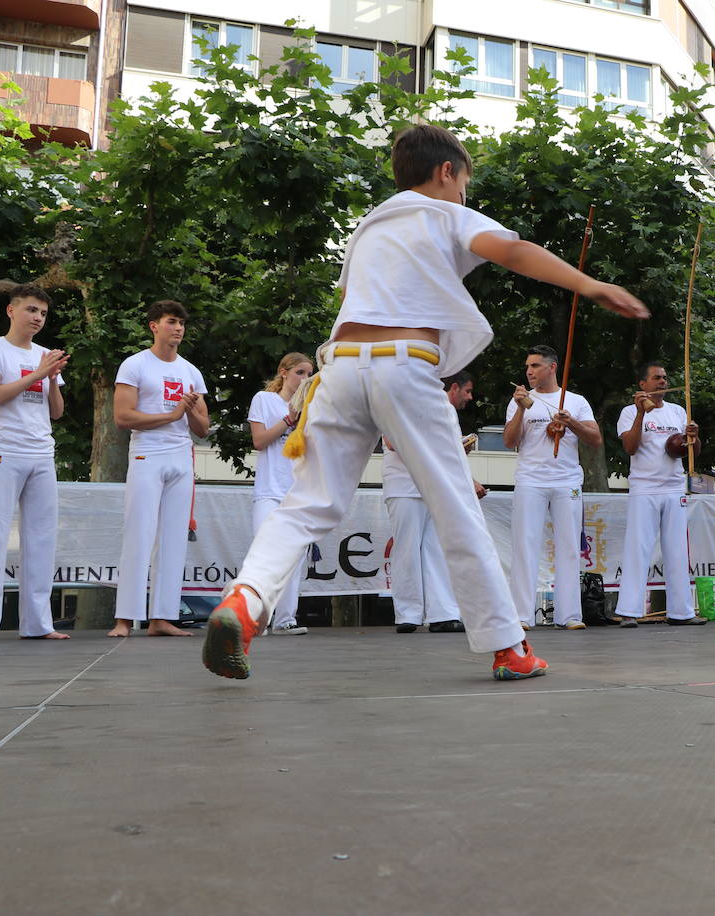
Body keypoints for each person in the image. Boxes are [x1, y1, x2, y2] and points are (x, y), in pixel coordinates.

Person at [203, 123, 647, 680]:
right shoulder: (444, 213)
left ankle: (244, 602)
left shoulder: (367, 228)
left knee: (311, 501)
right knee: (455, 503)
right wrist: (590, 286)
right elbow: (512, 249)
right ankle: (509, 648)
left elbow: (349, 298)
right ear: (445, 173)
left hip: (337, 370)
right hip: (405, 366)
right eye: (465, 185)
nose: (466, 197)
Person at [0, 284, 70, 642]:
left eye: (42, 313)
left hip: (41, 452)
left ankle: (38, 624)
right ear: (11, 311)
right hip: (2, 450)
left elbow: (56, 412)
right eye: (31, 310)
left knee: (41, 539)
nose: (37, 318)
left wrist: (52, 379)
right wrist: (38, 374)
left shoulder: (44, 355)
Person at [110, 300, 208, 638]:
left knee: (173, 540)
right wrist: (171, 414)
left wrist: (191, 410)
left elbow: (203, 428)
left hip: (180, 458)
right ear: (154, 325)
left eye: (181, 323)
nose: (178, 328)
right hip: (147, 456)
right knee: (139, 534)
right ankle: (125, 618)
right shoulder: (135, 364)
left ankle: (163, 617)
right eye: (171, 321)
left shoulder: (191, 372)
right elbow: (122, 417)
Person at [504, 345, 602, 630]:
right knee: (525, 544)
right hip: (530, 480)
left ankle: (569, 615)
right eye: (527, 367)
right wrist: (521, 410)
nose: (529, 372)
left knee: (570, 546)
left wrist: (570, 422)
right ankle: (522, 615)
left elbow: (595, 439)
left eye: (534, 366)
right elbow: (510, 441)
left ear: (552, 367)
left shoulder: (576, 400)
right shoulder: (521, 399)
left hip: (567, 481)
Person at [384, 373, 484, 634]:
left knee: (437, 550)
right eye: (468, 391)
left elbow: (447, 453)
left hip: (435, 487)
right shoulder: (398, 400)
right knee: (407, 549)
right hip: (405, 486)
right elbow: (392, 442)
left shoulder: (443, 410)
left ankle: (443, 613)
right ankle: (408, 613)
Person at [612, 361, 707, 628]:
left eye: (665, 377)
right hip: (644, 488)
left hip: (674, 487)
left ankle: (682, 612)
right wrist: (642, 414)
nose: (663, 381)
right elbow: (630, 448)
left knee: (677, 551)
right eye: (657, 378)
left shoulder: (678, 411)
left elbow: (693, 452)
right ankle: (629, 612)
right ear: (643, 384)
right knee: (638, 549)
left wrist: (694, 437)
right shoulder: (629, 412)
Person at [248, 352, 314, 636]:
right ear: (284, 373)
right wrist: (289, 420)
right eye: (300, 372)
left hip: (297, 490)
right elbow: (260, 441)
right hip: (269, 490)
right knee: (264, 555)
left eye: (309, 374)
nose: (305, 379)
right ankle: (258, 619)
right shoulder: (264, 400)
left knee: (294, 557)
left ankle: (286, 619)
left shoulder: (312, 407)